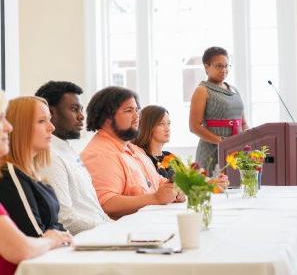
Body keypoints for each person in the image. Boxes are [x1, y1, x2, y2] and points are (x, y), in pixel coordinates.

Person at [81, 86, 185, 219]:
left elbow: (159, 183)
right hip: (126, 234)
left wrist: (174, 191)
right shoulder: (100, 154)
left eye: (137, 110)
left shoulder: (135, 150)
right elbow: (107, 204)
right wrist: (155, 198)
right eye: (129, 111)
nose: (137, 117)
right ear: (107, 117)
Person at [0, 92, 72, 275]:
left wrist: (57, 237)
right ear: (22, 128)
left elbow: (55, 229)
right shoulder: (11, 175)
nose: (52, 127)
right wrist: (52, 239)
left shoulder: (37, 178)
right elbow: (31, 241)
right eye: (42, 121)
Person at [35, 81, 110, 235]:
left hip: (98, 232)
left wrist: (112, 225)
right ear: (50, 113)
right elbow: (64, 218)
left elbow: (90, 207)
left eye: (81, 109)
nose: (82, 116)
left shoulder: (67, 149)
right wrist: (110, 228)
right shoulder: (50, 155)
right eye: (74, 109)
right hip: (81, 242)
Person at [189, 46, 248, 174]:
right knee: (214, 190)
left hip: (236, 151)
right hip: (211, 152)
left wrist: (248, 141)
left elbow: (243, 122)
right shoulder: (202, 90)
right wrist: (223, 142)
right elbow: (194, 126)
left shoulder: (234, 90)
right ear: (206, 67)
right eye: (219, 66)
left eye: (226, 66)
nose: (224, 70)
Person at [134, 105, 175, 180]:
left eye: (168, 123)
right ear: (148, 127)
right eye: (161, 124)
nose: (167, 129)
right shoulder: (142, 159)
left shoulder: (171, 157)